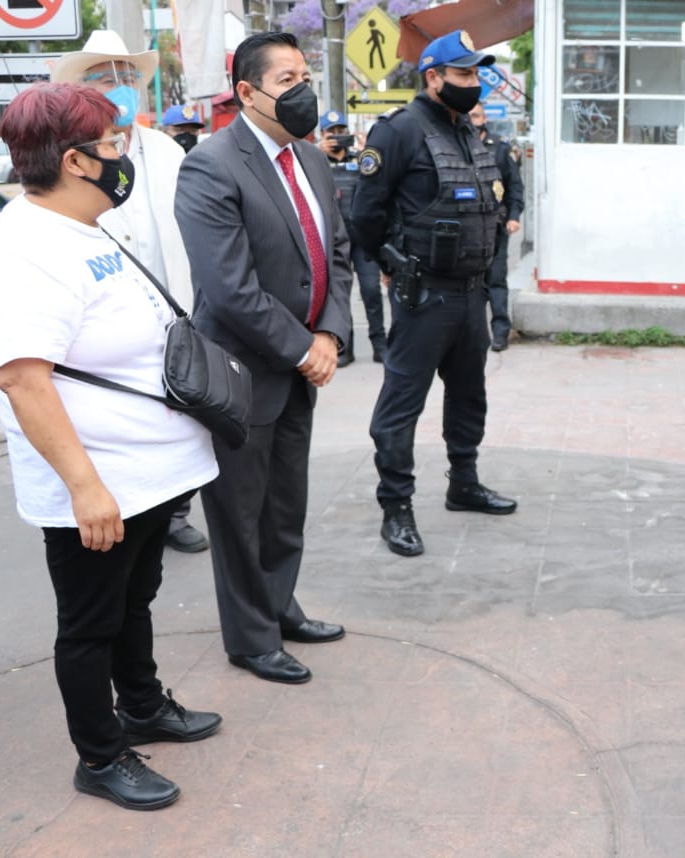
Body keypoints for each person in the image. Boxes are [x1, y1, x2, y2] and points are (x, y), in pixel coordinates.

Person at [0, 83, 222, 810]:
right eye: (112, 144)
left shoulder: (81, 225)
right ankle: (100, 755)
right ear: (76, 161)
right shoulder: (21, 249)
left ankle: (142, 703)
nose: (122, 155)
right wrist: (84, 486)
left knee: (135, 598)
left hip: (147, 469)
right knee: (88, 624)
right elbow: (22, 379)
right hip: (99, 478)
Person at [174, 32, 352, 685]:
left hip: (304, 363)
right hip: (246, 370)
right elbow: (229, 286)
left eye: (304, 74)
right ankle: (250, 637)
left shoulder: (312, 159)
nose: (302, 89)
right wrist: (302, 347)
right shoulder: (211, 165)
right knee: (239, 510)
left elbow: (336, 253)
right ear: (246, 92)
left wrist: (330, 334)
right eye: (286, 79)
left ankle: (281, 607)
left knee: (286, 503)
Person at [351, 30, 516, 558]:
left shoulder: (466, 129)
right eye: (464, 75)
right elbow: (365, 216)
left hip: (470, 297)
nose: (475, 84)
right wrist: (392, 267)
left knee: (469, 398)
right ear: (433, 77)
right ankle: (396, 508)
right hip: (423, 299)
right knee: (401, 409)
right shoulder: (399, 132)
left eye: (476, 74)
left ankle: (463, 484)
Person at [51, 30, 209, 556]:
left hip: (173, 308)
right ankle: (117, 502)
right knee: (118, 411)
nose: (119, 87)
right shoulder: (75, 156)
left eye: (126, 77)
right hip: (108, 318)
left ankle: (172, 511)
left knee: (179, 412)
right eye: (103, 78)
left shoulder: (166, 150)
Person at [319, 108, 383, 363]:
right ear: (322, 135)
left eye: (341, 131)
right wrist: (318, 152)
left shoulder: (361, 161)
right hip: (334, 241)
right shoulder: (315, 161)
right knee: (339, 295)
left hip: (361, 239)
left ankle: (380, 345)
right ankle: (345, 348)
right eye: (331, 133)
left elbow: (374, 189)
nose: (337, 136)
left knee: (371, 292)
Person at [468, 102, 524, 351]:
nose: (473, 120)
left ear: (484, 118)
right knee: (470, 283)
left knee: (496, 280)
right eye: (468, 116)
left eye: (476, 115)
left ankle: (500, 331)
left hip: (494, 227)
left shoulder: (500, 149)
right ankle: (472, 333)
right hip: (466, 229)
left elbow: (514, 187)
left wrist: (514, 216)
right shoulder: (454, 147)